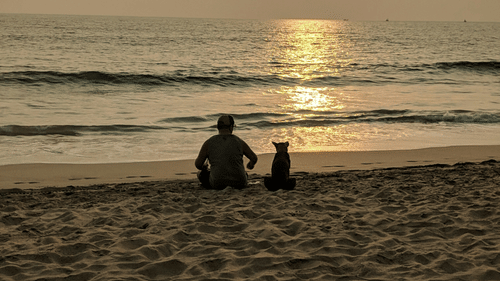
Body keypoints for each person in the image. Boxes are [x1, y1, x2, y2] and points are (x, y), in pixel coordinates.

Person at [195, 115, 258, 189]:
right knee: (244, 174)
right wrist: (250, 165)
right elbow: (254, 158)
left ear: (218, 127)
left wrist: (204, 167)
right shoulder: (239, 142)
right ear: (231, 127)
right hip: (240, 183)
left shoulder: (209, 143)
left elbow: (198, 164)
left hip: (217, 184)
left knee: (200, 174)